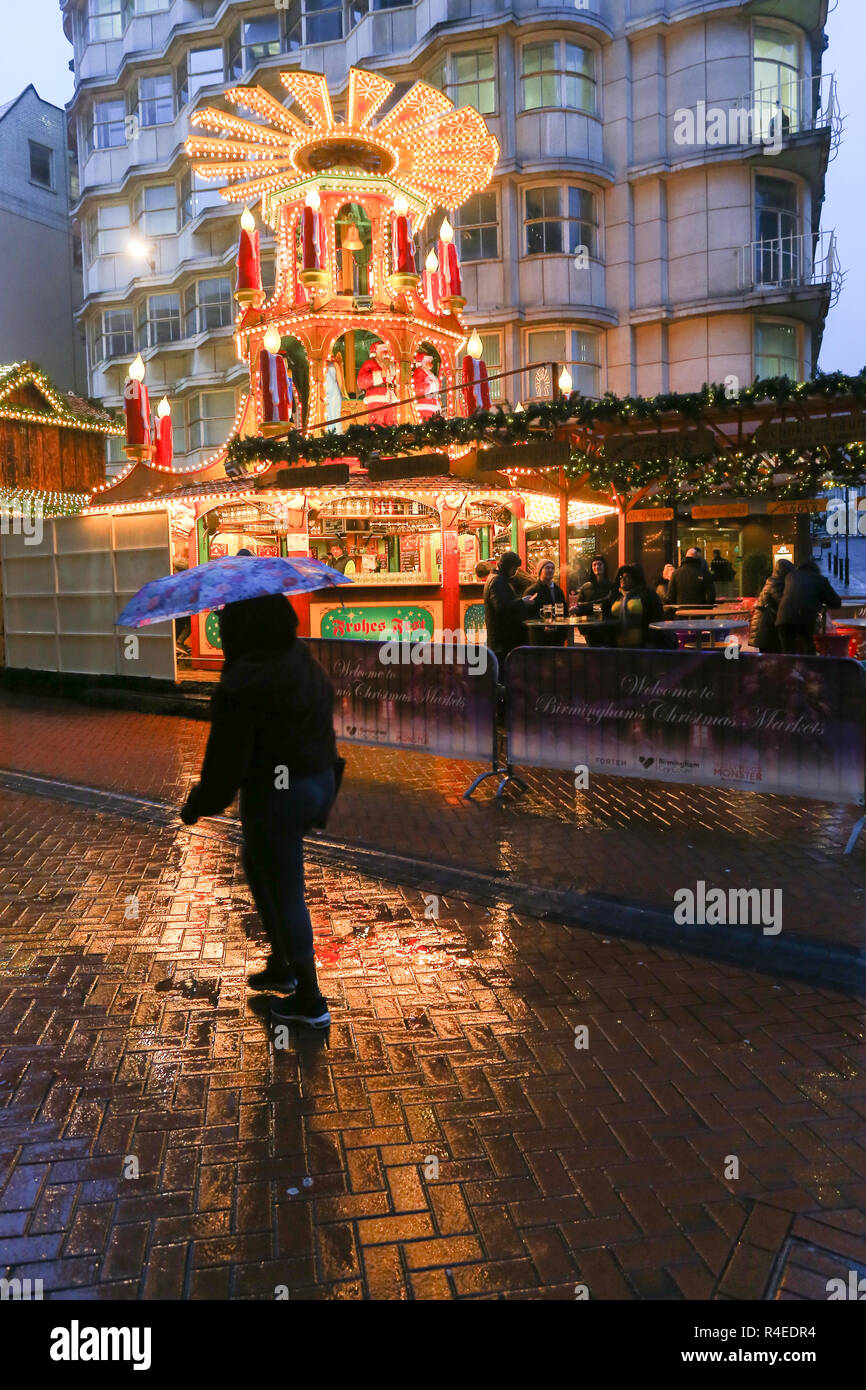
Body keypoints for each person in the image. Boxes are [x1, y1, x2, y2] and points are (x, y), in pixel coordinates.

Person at [180, 594, 340, 1029]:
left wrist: (198, 804)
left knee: (284, 884)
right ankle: (282, 961)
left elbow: (225, 764)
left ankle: (309, 999)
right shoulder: (299, 657)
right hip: (317, 778)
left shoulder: (243, 682)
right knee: (257, 861)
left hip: (279, 792)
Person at [776, 558, 841, 654]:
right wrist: (820, 599)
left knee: (788, 653)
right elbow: (836, 602)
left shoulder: (790, 576)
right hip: (804, 618)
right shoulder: (820, 580)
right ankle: (809, 668)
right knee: (808, 649)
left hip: (783, 618)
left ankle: (789, 668)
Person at [483, 550, 535, 662]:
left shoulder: (495, 578)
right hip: (502, 640)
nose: (516, 572)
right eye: (514, 568)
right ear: (508, 567)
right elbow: (502, 607)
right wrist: (522, 602)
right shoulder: (498, 581)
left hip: (500, 639)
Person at [609, 564, 664, 647]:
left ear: (635, 578)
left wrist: (652, 641)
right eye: (621, 577)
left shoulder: (647, 595)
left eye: (627, 576)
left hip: (642, 645)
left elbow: (657, 617)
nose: (623, 579)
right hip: (618, 645)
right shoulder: (616, 595)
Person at [749, 557, 794, 653]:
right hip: (765, 628)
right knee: (770, 660)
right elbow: (782, 601)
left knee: (771, 659)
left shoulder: (775, 582)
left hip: (766, 627)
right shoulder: (774, 583)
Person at [525, 559, 567, 647]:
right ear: (540, 571)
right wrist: (542, 627)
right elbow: (528, 614)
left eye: (552, 568)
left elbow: (564, 611)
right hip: (539, 638)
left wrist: (562, 631)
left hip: (557, 637)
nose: (550, 570)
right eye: (547, 568)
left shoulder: (558, 590)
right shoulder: (532, 590)